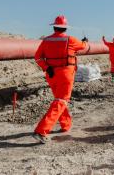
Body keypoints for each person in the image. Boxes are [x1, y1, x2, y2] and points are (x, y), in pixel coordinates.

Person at [32, 15, 88, 144]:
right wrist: (85, 41)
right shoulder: (71, 40)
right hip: (66, 74)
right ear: (65, 28)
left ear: (54, 26)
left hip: (51, 74)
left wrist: (46, 67)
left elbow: (37, 57)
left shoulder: (46, 40)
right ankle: (41, 131)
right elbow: (83, 46)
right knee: (61, 100)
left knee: (59, 99)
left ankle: (65, 124)